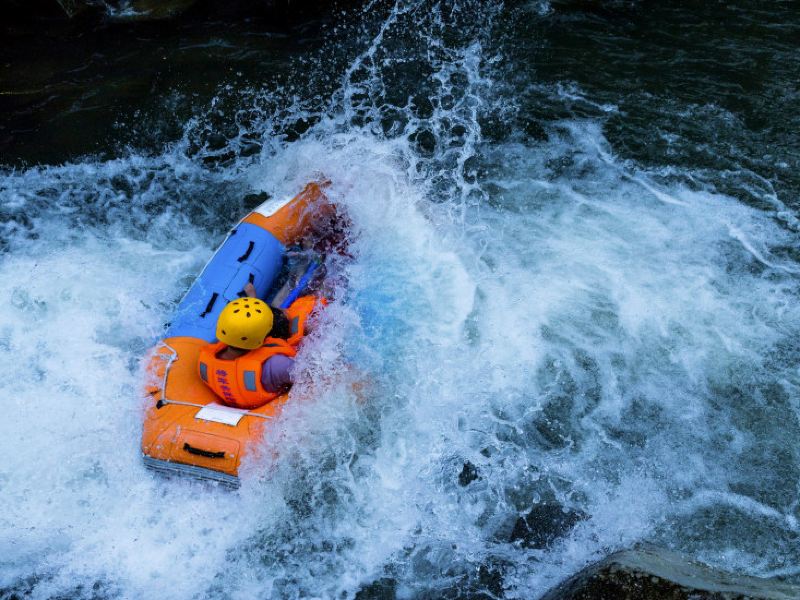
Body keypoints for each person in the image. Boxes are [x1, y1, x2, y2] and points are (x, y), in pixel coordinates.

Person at [197, 282, 324, 409]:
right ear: (266, 336)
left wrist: (252, 298)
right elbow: (317, 377)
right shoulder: (277, 365)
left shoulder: (205, 363)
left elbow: (243, 330)